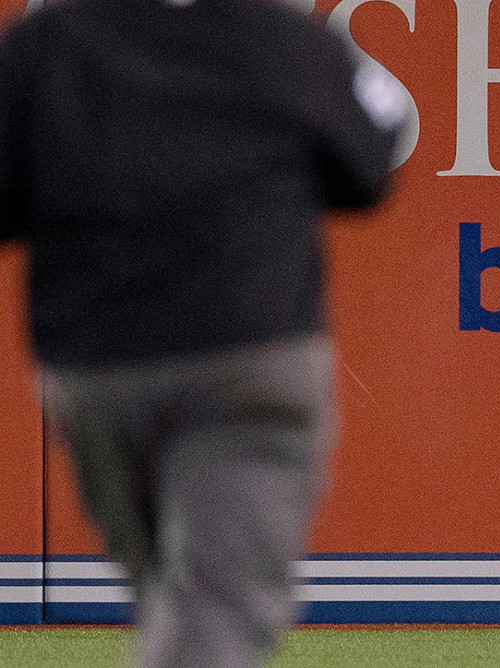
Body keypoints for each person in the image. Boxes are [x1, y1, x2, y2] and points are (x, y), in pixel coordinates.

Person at [0, 0, 403, 665]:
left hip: (99, 366)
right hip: (248, 354)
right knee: (208, 611)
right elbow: (372, 164)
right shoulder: (283, 40)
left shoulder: (47, 43)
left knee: (185, 600)